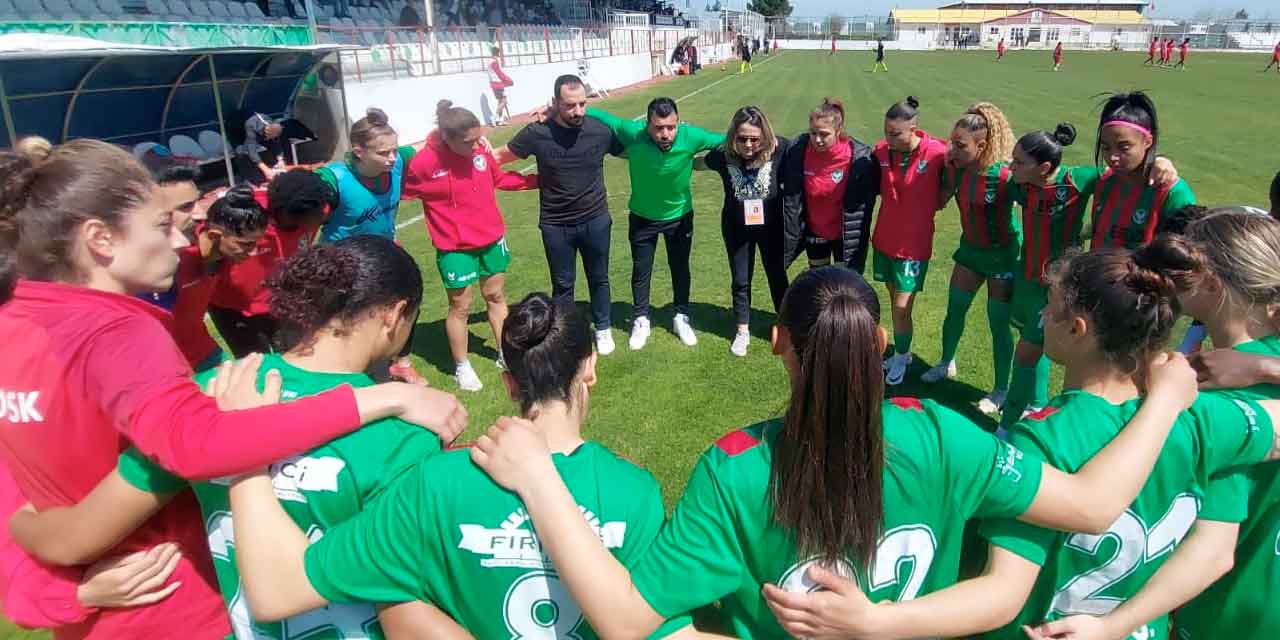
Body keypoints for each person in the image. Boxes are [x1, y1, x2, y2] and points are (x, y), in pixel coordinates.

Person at [465, 266, 1212, 640]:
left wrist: (539, 476)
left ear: (777, 342)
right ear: (880, 343)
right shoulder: (941, 432)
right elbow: (1089, 509)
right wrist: (1167, 399)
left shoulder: (735, 469)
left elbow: (626, 620)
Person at [0, 139, 466, 638]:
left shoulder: (14, 326)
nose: (181, 239)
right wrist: (385, 395)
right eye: (162, 224)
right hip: (182, 611)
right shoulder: (119, 335)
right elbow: (196, 444)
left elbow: (32, 508)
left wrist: (56, 586)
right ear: (100, 238)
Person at [763, 246, 1280, 640]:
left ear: (1077, 329)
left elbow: (1004, 593)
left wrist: (873, 622)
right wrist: (1115, 626)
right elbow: (1215, 554)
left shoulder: (1047, 438)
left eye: (1050, 308)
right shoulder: (1202, 418)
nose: (1040, 318)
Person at [225, 293, 700, 639]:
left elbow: (277, 591)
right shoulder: (634, 490)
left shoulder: (431, 480)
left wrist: (248, 446)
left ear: (510, 383)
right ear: (590, 367)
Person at [999, 125, 1180, 433]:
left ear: (1044, 167)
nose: (1011, 166)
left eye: (1018, 161)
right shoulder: (1020, 185)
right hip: (1027, 278)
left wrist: (1160, 161)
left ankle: (1009, 424)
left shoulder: (1077, 180)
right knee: (1035, 346)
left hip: (1058, 287)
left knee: (1028, 351)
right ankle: (1034, 405)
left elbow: (1125, 172)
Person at [404, 100, 538, 391]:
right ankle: (462, 367)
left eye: (479, 138)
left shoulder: (480, 153)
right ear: (447, 137)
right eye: (469, 141)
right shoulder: (424, 164)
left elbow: (499, 178)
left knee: (496, 296)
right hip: (455, 248)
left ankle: (505, 353)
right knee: (460, 307)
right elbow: (397, 189)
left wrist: (537, 181)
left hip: (492, 239)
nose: (477, 145)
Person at [585, 98, 725, 351]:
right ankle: (641, 319)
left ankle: (681, 316)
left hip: (680, 218)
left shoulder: (692, 136)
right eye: (659, 128)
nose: (665, 134)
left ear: (678, 123)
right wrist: (556, 109)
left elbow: (725, 141)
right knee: (641, 271)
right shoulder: (632, 132)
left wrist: (703, 163)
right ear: (647, 124)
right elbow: (602, 116)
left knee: (680, 268)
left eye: (671, 127)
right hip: (642, 218)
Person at [500, 75, 624, 355]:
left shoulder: (599, 131)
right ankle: (566, 333)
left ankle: (603, 328)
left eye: (582, 104)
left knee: (599, 278)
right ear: (555, 102)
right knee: (563, 284)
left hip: (596, 219)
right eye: (570, 105)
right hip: (556, 224)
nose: (578, 111)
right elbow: (498, 158)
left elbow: (633, 150)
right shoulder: (536, 133)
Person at [313, 108, 427, 383]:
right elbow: (301, 193)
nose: (392, 158)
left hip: (383, 254)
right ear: (359, 151)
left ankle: (402, 362)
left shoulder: (399, 162)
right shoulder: (334, 179)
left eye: (394, 150)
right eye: (383, 153)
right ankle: (348, 374)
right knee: (351, 320)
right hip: (343, 263)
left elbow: (432, 145)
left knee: (409, 302)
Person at [921, 103, 1019, 416]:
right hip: (970, 253)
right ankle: (946, 362)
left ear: (983, 145)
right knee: (955, 311)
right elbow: (939, 201)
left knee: (998, 325)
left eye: (961, 145)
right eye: (953, 142)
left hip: (1003, 258)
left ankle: (1001, 389)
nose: (954, 149)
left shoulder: (1005, 176)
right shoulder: (958, 170)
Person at [696, 106, 790, 357]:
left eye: (754, 139)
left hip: (771, 227)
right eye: (742, 138)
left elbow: (809, 150)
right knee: (740, 279)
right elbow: (695, 163)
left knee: (777, 276)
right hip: (736, 228)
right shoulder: (723, 155)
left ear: (765, 135)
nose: (748, 145)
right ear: (733, 136)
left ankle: (786, 326)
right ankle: (742, 330)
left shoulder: (779, 149)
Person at [208, 169, 331, 359]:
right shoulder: (246, 218)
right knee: (256, 364)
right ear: (290, 214)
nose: (322, 216)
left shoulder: (312, 206)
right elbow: (205, 237)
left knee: (297, 356)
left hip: (284, 301)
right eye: (317, 214)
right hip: (235, 309)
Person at [871, 96, 949, 386]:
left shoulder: (937, 152)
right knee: (895, 304)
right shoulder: (882, 150)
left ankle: (902, 355)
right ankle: (901, 353)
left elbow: (961, 169)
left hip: (913, 246)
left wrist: (943, 197)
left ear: (914, 129)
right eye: (886, 132)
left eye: (896, 134)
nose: (889, 139)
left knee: (902, 307)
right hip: (884, 240)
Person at [172, 185, 268, 372]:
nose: (253, 252)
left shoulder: (226, 255)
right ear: (215, 236)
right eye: (245, 244)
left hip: (204, 350)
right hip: (173, 358)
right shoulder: (178, 261)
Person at [780, 98, 878, 275]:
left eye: (824, 134)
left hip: (845, 236)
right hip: (815, 232)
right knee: (820, 280)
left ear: (838, 131)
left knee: (845, 283)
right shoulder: (798, 150)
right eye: (813, 133)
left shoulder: (858, 156)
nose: (817, 140)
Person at [1089, 92, 1195, 251]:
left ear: (1148, 141)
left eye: (1124, 148)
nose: (1112, 157)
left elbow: (1189, 254)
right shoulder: (1102, 179)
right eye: (1105, 147)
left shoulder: (1173, 192)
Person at [488, 47, 514, 125]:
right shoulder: (494, 62)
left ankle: (500, 120)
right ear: (497, 53)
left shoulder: (489, 61)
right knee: (504, 101)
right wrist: (508, 80)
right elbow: (499, 73)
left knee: (500, 102)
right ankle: (494, 117)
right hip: (498, 84)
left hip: (493, 83)